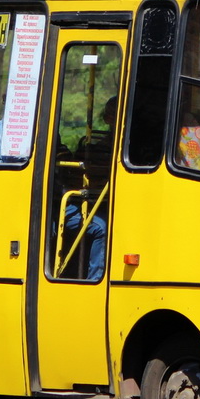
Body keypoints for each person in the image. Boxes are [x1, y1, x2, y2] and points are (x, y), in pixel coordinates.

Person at [61, 96, 116, 282]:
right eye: (113, 115)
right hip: (87, 201)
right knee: (102, 227)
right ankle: (94, 280)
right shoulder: (94, 151)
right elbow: (76, 180)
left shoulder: (133, 151)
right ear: (108, 119)